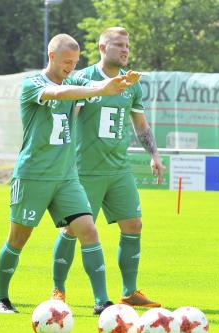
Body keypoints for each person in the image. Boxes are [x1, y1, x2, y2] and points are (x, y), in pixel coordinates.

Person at [0, 33, 138, 314]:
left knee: (88, 230)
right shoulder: (32, 84)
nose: (71, 67)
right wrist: (101, 90)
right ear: (52, 56)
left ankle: (102, 302)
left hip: (66, 178)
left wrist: (109, 85)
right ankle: (1, 298)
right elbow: (59, 93)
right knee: (18, 239)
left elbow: (89, 85)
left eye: (74, 62)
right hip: (33, 176)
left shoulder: (74, 82)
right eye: (66, 62)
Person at [50, 27, 163, 308]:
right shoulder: (82, 78)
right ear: (102, 47)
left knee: (134, 225)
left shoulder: (131, 83)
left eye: (128, 45)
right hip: (84, 170)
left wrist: (154, 154)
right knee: (72, 230)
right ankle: (58, 290)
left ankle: (130, 292)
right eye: (119, 45)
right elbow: (66, 118)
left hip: (119, 170)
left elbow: (141, 125)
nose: (125, 50)